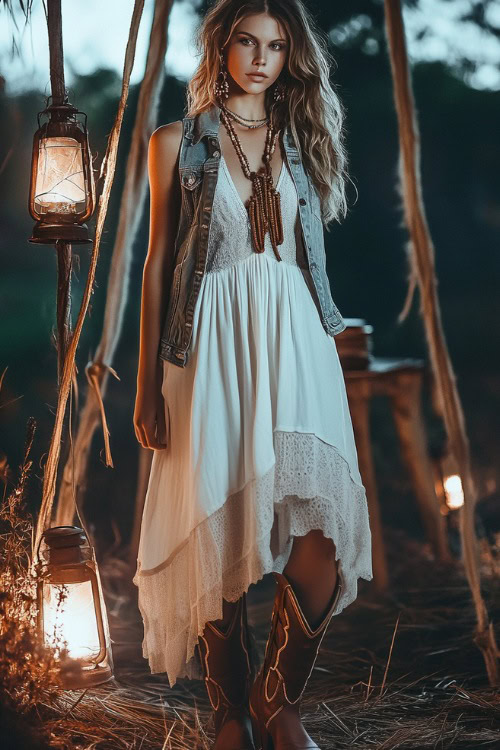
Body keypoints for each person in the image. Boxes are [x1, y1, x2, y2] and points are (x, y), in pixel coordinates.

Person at [133, 1, 373, 748]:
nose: (261, 57)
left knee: (321, 535)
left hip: (296, 341)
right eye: (246, 40)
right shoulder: (175, 144)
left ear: (289, 55)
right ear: (221, 45)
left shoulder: (302, 140)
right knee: (216, 519)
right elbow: (156, 266)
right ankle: (228, 710)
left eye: (276, 44)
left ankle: (279, 702)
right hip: (209, 343)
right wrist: (146, 381)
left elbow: (304, 262)